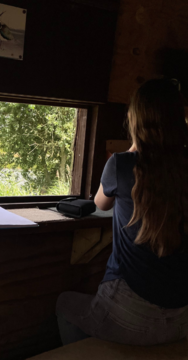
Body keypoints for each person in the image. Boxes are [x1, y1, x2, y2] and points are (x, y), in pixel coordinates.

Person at [56, 78, 188, 346]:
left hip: (129, 312)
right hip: (181, 318)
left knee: (65, 304)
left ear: (136, 121)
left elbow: (100, 203)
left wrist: (136, 147)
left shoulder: (122, 165)